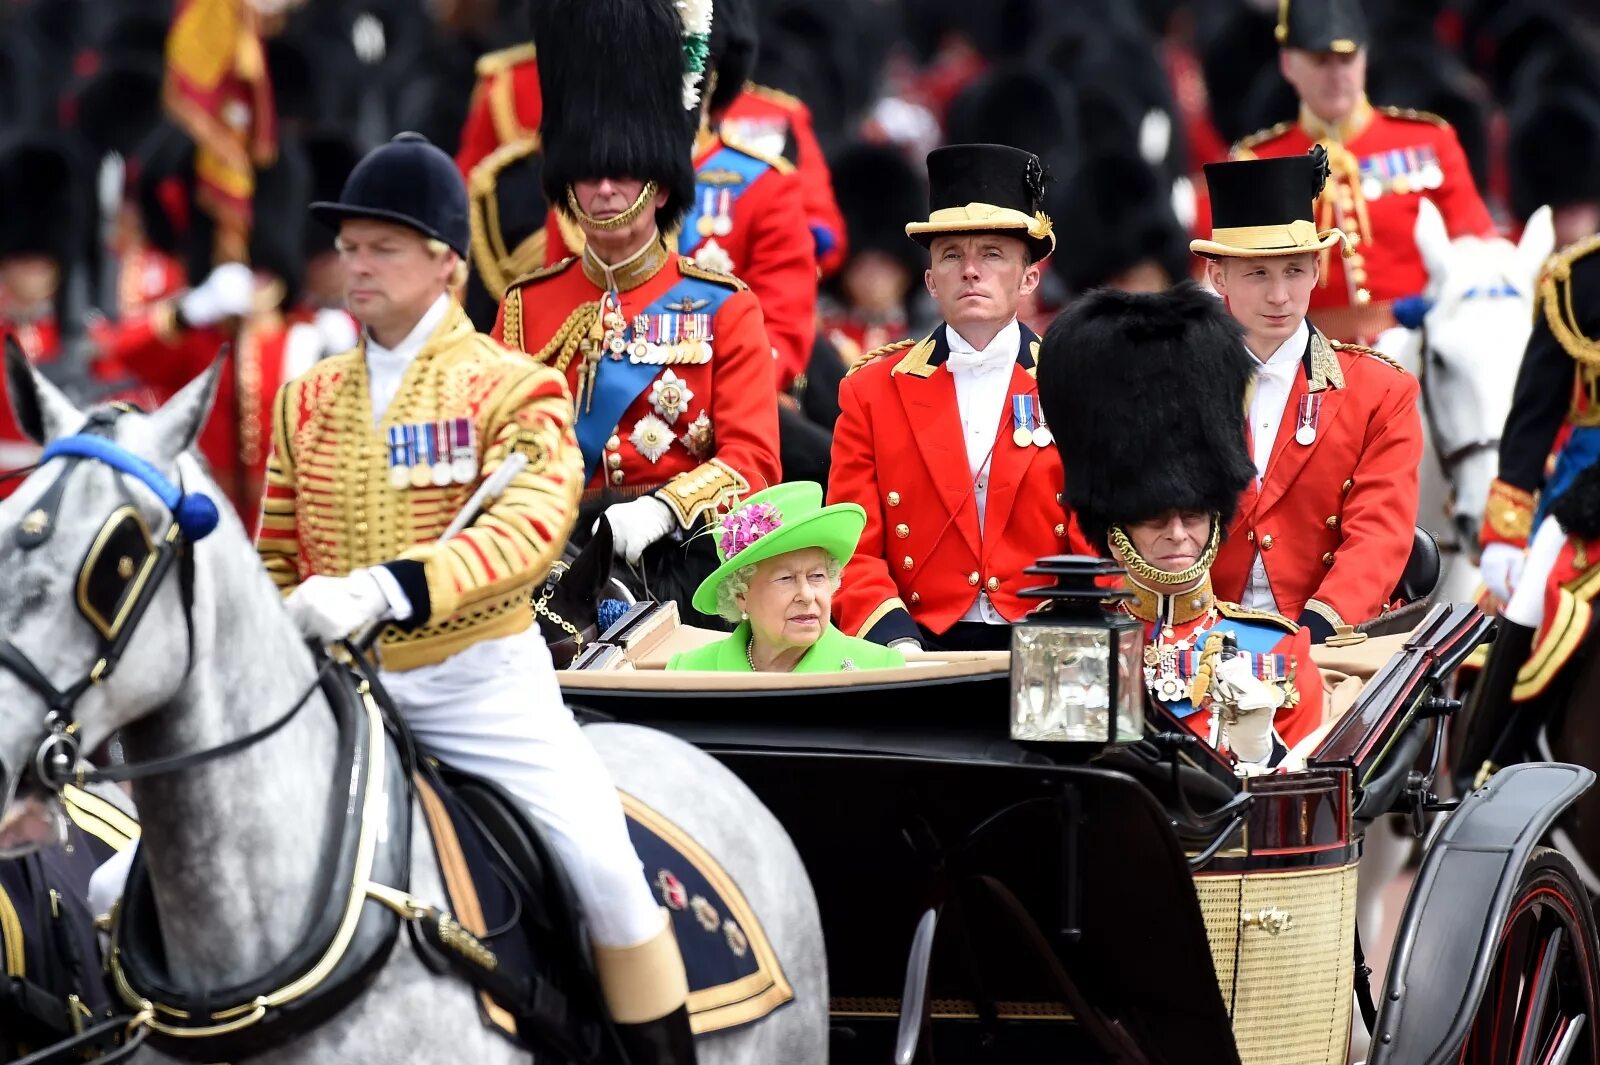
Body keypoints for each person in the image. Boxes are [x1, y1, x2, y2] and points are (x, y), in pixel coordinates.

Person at [257, 131, 697, 1062]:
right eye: (349, 246)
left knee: (610, 875)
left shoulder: (514, 385)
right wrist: (276, 629)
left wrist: (393, 587)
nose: (356, 264)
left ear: (445, 263)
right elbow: (279, 553)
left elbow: (530, 527)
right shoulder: (305, 398)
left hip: (478, 688)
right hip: (337, 691)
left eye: (383, 246)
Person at [492, 0, 780, 630]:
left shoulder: (725, 307)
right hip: (550, 573)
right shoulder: (525, 306)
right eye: (588, 175)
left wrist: (665, 509)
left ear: (659, 180)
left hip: (679, 567)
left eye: (622, 174)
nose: (602, 191)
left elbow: (753, 463)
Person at [1039, 282, 1323, 768]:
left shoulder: (1277, 648)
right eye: (1153, 517)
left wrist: (1261, 751)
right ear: (1116, 525)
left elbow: (1301, 810)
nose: (1177, 534)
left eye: (1192, 516)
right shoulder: (1063, 639)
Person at [827, 143, 1093, 653]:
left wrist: (1069, 634)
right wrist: (895, 640)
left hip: (1049, 641)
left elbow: (1094, 537)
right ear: (930, 280)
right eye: (952, 255)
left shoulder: (1079, 382)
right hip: (916, 642)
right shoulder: (870, 391)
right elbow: (852, 547)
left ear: (1029, 278)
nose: (971, 270)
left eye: (992, 253)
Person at [1195, 150, 1422, 642]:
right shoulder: (1176, 385)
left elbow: (1379, 534)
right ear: (1218, 278)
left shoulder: (1382, 390)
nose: (1280, 295)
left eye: (1295, 271)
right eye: (1258, 273)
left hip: (1335, 640)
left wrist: (1314, 634)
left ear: (1317, 270)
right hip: (1202, 639)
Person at [1217, 0, 1496, 341]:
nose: (1335, 76)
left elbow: (1476, 253)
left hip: (1417, 351)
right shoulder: (1257, 161)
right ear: (1288, 64)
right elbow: (1235, 288)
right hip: (1307, 359)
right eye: (1320, 61)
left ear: (1365, 59)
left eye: (1347, 59)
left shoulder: (1429, 141)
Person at [668, 482, 905, 672]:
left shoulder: (880, 670)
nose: (806, 595)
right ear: (741, 594)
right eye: (786, 578)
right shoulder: (689, 672)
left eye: (817, 576)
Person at [1481, 237, 1600, 606]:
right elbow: (1536, 411)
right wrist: (1507, 532)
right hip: (1588, 492)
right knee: (1530, 608)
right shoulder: (1578, 280)